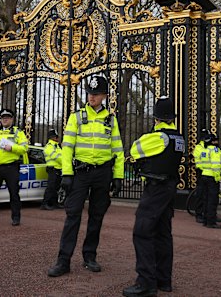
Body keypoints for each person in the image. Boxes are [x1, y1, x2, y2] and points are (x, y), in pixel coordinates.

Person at [47, 74, 124, 277]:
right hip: (80, 172)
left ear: (105, 96)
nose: (92, 98)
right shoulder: (77, 117)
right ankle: (63, 261)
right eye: (89, 94)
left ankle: (89, 256)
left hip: (103, 172)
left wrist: (118, 176)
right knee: (72, 215)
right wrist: (67, 173)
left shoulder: (111, 120)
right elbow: (67, 147)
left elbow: (118, 149)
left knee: (96, 216)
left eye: (96, 94)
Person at [122, 96, 184, 297]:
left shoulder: (159, 137)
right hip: (169, 187)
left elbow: (134, 149)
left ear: (156, 118)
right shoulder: (178, 137)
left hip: (155, 187)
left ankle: (146, 282)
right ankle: (163, 280)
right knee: (163, 233)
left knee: (142, 231)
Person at [193, 130, 221, 229]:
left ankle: (206, 219)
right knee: (212, 200)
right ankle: (211, 221)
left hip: (204, 175)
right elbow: (216, 165)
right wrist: (217, 176)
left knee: (205, 198)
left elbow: (200, 162)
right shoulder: (215, 150)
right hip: (211, 177)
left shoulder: (204, 150)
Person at [41, 128, 63, 210]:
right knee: (51, 187)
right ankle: (45, 203)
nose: (58, 138)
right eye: (57, 137)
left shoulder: (57, 146)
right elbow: (55, 157)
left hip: (57, 169)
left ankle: (54, 203)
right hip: (52, 169)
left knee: (56, 188)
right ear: (53, 137)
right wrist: (65, 161)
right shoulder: (50, 146)